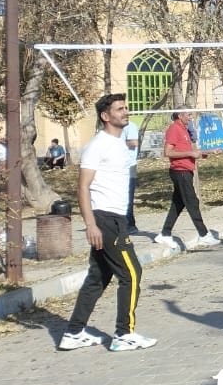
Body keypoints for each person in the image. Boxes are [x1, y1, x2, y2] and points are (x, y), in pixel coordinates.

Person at [59, 94, 157, 352]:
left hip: (116, 217)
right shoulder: (98, 145)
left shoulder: (119, 143)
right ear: (105, 116)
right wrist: (91, 224)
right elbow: (82, 187)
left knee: (98, 277)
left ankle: (73, 333)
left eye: (126, 108)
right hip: (105, 219)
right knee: (132, 273)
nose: (125, 112)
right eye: (119, 109)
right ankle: (124, 334)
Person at [155, 111, 219, 248]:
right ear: (180, 116)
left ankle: (165, 233)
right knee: (192, 201)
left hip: (186, 170)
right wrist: (190, 153)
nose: (191, 117)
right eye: (188, 115)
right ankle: (203, 234)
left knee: (178, 203)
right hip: (180, 171)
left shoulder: (184, 129)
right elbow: (168, 152)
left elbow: (191, 152)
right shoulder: (174, 129)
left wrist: (209, 151)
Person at [122, 121, 140, 234]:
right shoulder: (114, 127)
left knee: (127, 197)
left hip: (129, 166)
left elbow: (134, 142)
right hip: (117, 166)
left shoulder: (130, 126)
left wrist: (114, 143)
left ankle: (130, 225)